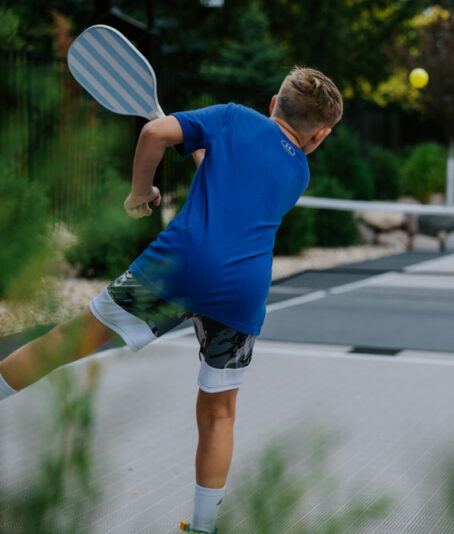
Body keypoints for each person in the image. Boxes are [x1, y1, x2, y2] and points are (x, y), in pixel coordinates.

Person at [0, 67, 343, 534]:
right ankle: (203, 528)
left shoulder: (233, 117)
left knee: (68, 341)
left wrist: (141, 193)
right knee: (219, 412)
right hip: (240, 289)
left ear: (272, 103)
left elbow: (154, 132)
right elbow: (237, 184)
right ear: (319, 136)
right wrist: (204, 154)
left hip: (178, 268)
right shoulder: (298, 172)